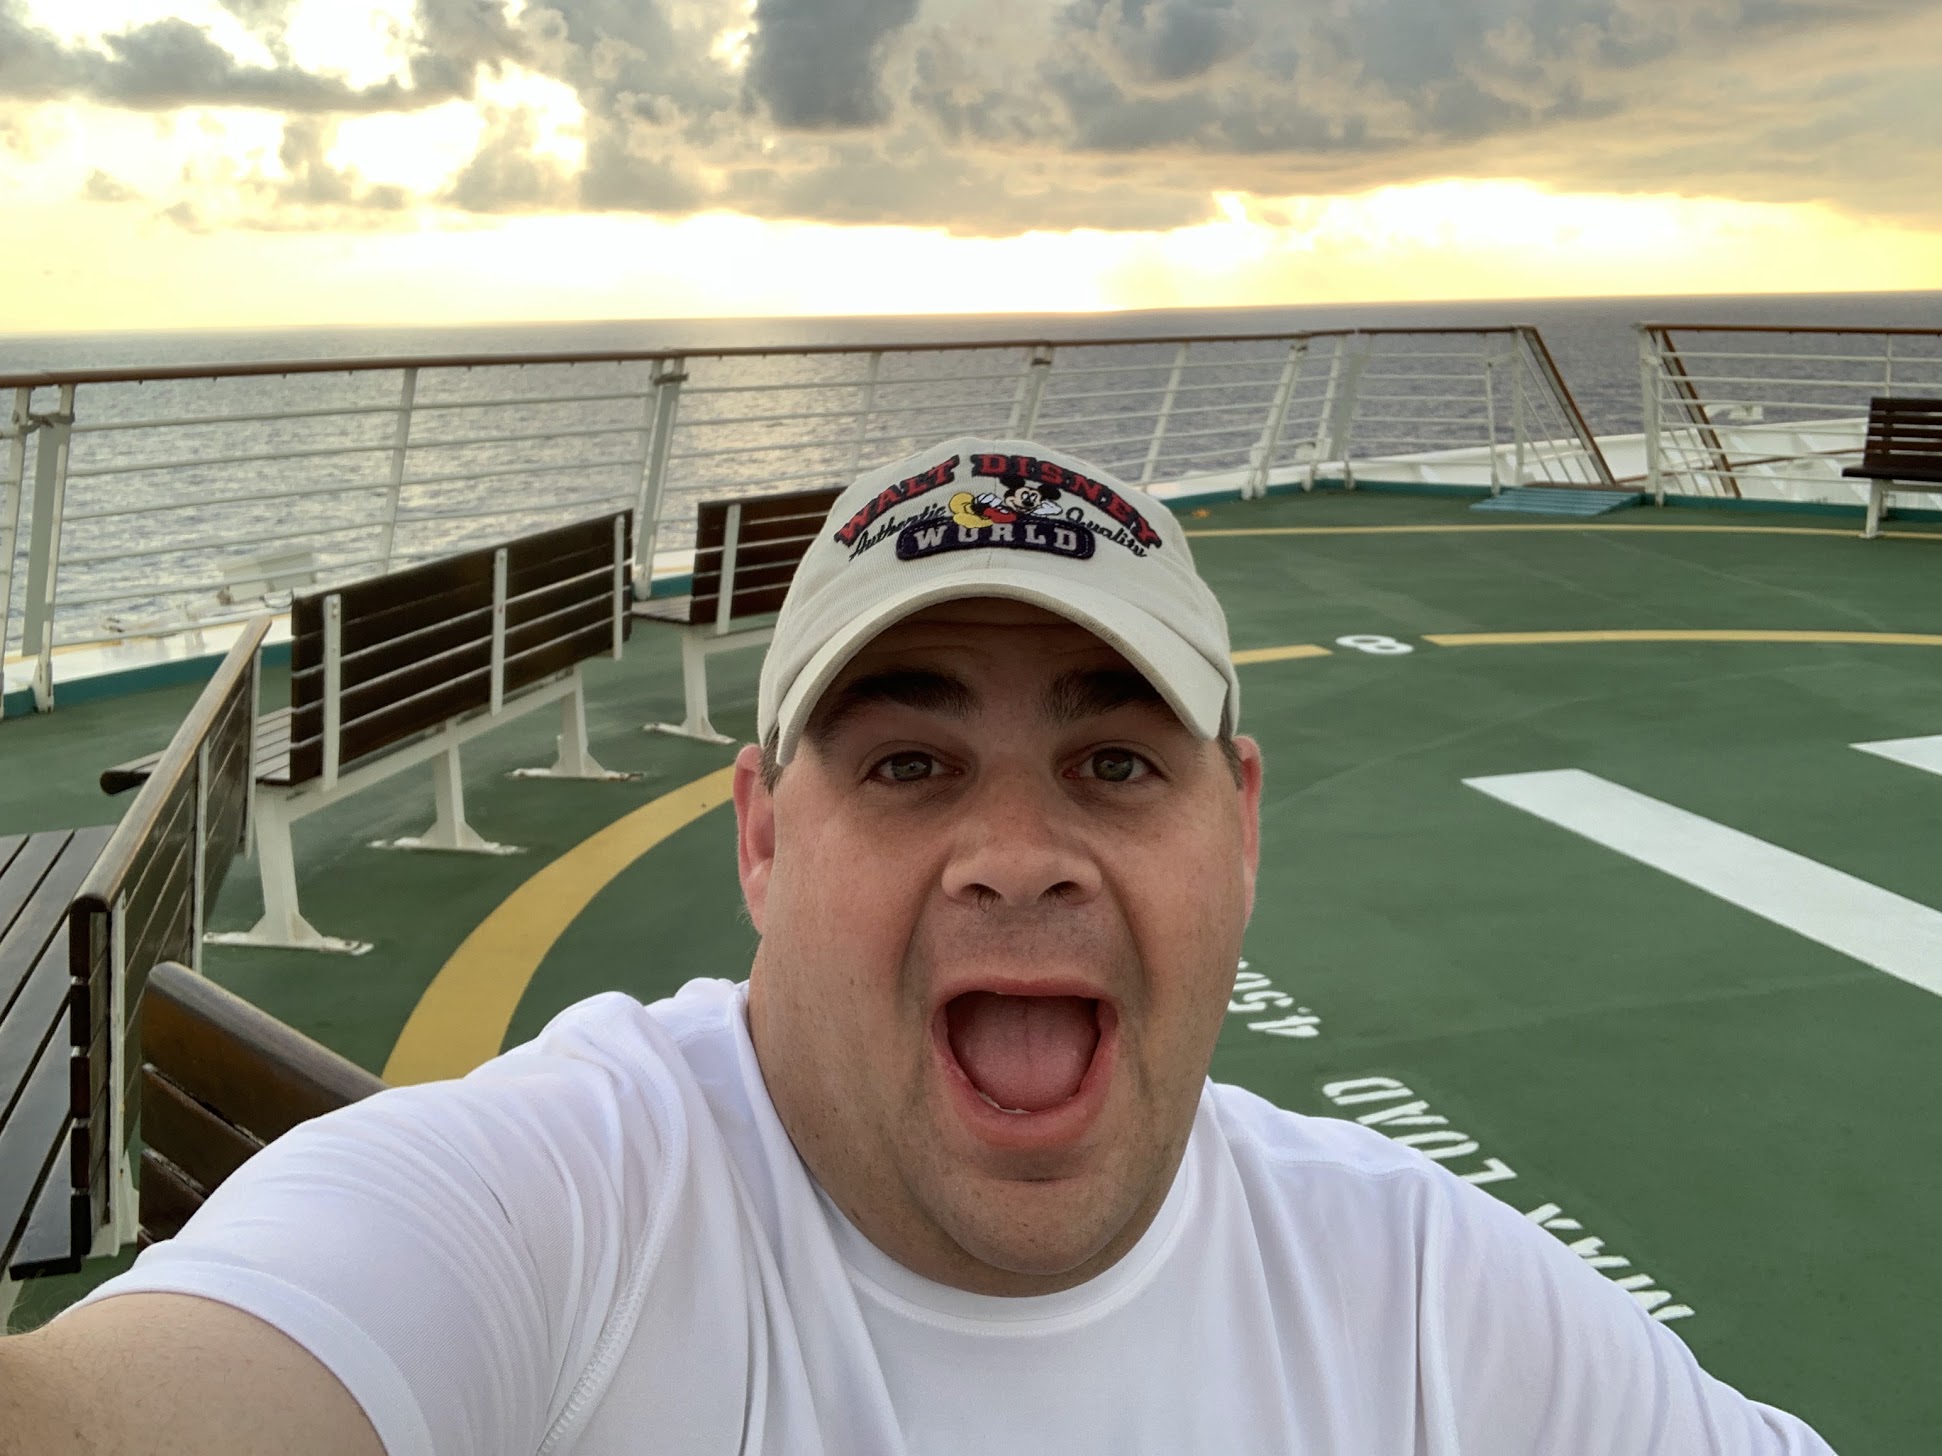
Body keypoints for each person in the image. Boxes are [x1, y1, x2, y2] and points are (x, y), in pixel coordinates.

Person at [0, 438, 1834, 1454]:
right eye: (906, 764)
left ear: (1239, 828)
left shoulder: (1423, 1297)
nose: (1016, 858)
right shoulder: (553, 1205)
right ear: (762, 838)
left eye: (1115, 762)